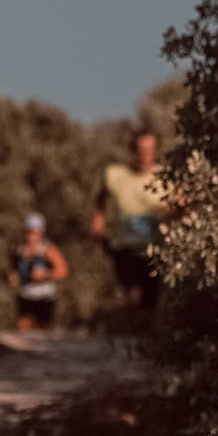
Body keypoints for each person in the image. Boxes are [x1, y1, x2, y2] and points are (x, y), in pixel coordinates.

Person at [91, 129, 172, 318]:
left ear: (156, 151)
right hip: (124, 245)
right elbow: (101, 195)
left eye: (149, 150)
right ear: (132, 150)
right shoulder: (116, 175)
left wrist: (172, 211)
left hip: (154, 248)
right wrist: (98, 218)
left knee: (150, 302)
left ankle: (143, 340)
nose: (144, 155)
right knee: (132, 296)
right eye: (140, 149)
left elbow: (179, 206)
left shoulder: (164, 177)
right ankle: (131, 333)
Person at [7, 212, 68, 331]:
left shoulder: (48, 250)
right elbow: (14, 271)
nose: (32, 236)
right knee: (23, 329)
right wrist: (13, 278)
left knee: (44, 330)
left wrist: (45, 275)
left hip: (45, 297)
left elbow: (63, 271)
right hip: (26, 295)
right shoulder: (19, 250)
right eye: (30, 232)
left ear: (41, 232)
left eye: (36, 232)